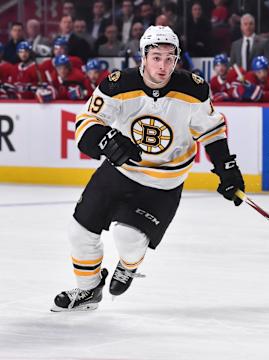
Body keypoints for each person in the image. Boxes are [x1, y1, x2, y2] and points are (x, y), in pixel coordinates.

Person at [51, 25, 245, 312]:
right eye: (156, 57)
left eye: (170, 58)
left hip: (163, 183)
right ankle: (88, 290)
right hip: (119, 172)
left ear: (177, 59)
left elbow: (212, 130)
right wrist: (106, 141)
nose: (163, 65)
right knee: (79, 231)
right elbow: (85, 123)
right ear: (143, 56)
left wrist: (227, 168)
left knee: (128, 238)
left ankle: (129, 264)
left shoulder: (193, 89)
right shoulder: (117, 85)